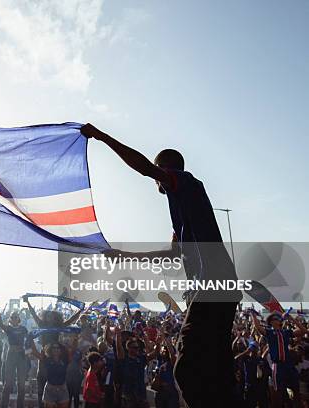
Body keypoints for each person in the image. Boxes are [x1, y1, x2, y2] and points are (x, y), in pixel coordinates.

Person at [81, 123, 242, 407]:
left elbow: (145, 168)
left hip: (212, 285)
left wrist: (102, 136)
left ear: (166, 169)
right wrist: (126, 256)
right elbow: (170, 255)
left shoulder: (184, 182)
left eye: (158, 173)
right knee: (217, 369)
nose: (155, 181)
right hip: (220, 289)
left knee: (187, 367)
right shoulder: (181, 212)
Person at [252, 310, 306, 408]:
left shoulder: (286, 332)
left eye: (279, 318)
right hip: (278, 366)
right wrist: (253, 315)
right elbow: (258, 327)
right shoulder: (269, 332)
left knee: (296, 390)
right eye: (276, 318)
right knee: (279, 393)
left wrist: (292, 319)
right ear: (272, 322)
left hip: (289, 365)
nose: (279, 319)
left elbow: (303, 331)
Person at [0, 311, 29, 408]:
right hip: (11, 354)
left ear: (19, 318)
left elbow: (28, 341)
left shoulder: (23, 329)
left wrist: (28, 353)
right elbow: (1, 325)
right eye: (12, 317)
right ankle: (4, 405)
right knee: (8, 383)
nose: (14, 318)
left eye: (16, 317)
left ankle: (20, 406)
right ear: (10, 319)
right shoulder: (9, 328)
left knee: (22, 383)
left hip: (21, 355)